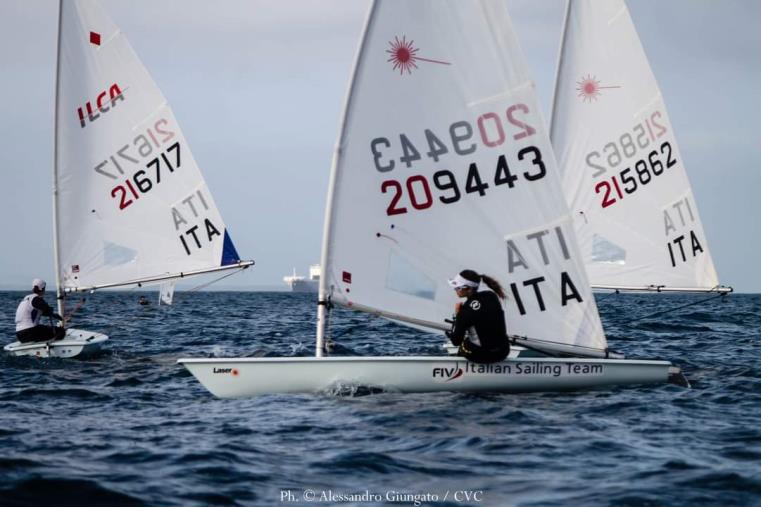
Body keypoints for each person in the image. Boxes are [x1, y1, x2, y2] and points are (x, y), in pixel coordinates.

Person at [445, 269, 510, 363]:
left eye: (458, 287)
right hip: (504, 351)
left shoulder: (464, 311)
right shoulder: (491, 296)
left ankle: (460, 369)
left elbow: (456, 341)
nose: (455, 290)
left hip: (483, 356)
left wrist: (457, 315)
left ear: (469, 289)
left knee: (464, 344)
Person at [15, 278, 65, 343]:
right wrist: (55, 314)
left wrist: (53, 315)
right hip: (30, 332)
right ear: (42, 289)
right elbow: (47, 309)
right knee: (60, 331)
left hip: (20, 335)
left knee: (44, 328)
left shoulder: (26, 298)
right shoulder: (36, 298)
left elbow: (42, 312)